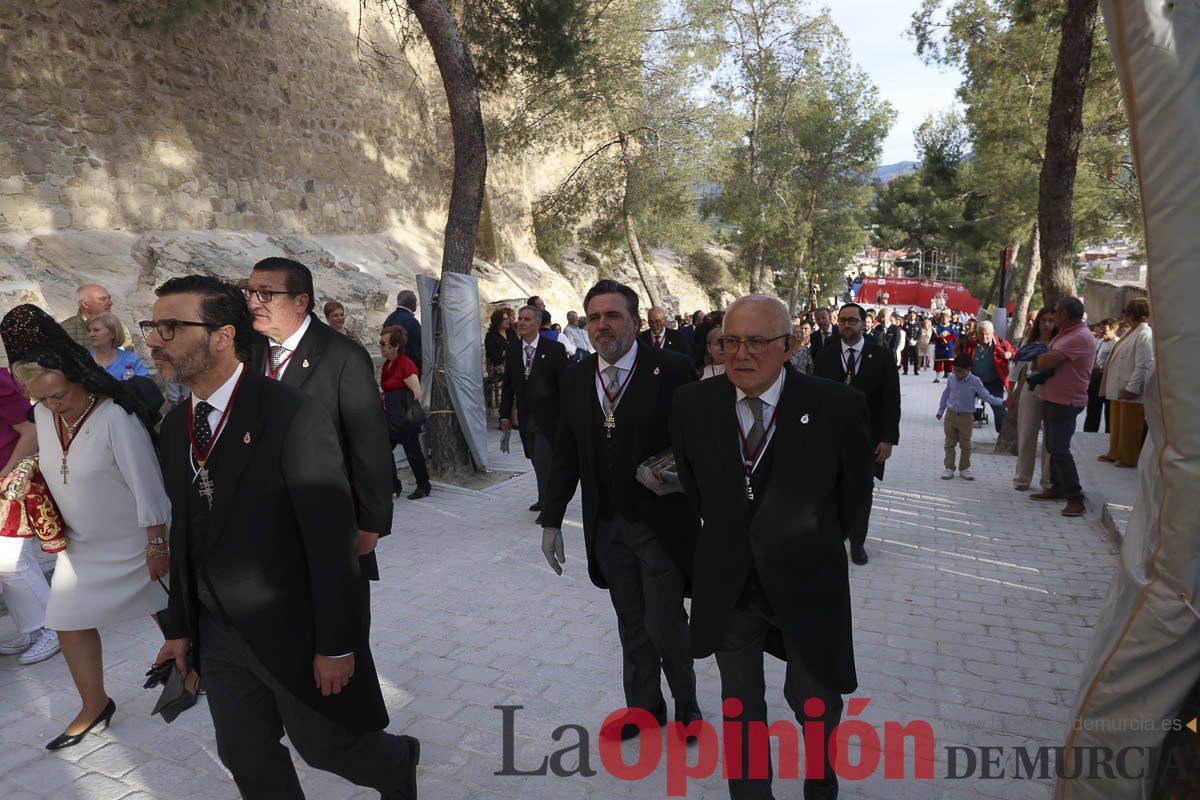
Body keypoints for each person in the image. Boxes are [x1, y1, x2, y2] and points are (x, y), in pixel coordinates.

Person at [147, 276, 419, 799]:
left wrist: (337, 645)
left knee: (323, 745)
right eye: (152, 327)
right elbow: (187, 533)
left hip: (292, 625)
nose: (155, 340)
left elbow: (331, 538)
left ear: (223, 336)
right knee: (245, 753)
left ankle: (397, 762)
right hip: (219, 631)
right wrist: (180, 626)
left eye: (170, 327)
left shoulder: (291, 414)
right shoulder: (174, 425)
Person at [671, 294, 872, 800]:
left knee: (815, 701)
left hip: (808, 580)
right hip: (730, 582)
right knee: (740, 703)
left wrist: (806, 540)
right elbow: (697, 491)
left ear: (789, 346)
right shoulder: (692, 404)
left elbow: (853, 502)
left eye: (756, 342)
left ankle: (821, 783)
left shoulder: (837, 406)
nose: (740, 353)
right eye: (729, 341)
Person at [539, 279, 702, 741]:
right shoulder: (575, 376)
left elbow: (696, 445)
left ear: (635, 322)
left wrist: (671, 472)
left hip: (659, 526)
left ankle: (687, 706)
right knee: (631, 622)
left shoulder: (670, 369)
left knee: (666, 623)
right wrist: (552, 521)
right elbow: (566, 453)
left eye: (612, 316)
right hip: (608, 528)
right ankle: (645, 709)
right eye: (594, 317)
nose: (602, 325)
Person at [1, 304, 169, 749]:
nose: (54, 405)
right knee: (68, 620)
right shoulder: (42, 415)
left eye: (60, 394)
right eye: (43, 398)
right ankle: (94, 704)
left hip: (134, 541)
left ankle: (194, 674)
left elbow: (147, 483)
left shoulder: (116, 414)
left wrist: (156, 544)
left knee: (169, 614)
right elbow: (59, 462)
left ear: (76, 375)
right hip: (81, 545)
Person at [244, 258, 394, 589]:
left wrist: (371, 524)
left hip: (324, 521)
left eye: (266, 293)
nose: (253, 302)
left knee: (330, 628)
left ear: (301, 301)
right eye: (251, 292)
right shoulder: (247, 350)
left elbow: (369, 446)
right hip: (259, 523)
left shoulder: (343, 358)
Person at [813, 303, 901, 566]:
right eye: (842, 320)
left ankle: (858, 542)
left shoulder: (881, 356)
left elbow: (891, 401)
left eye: (852, 320)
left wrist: (888, 439)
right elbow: (817, 398)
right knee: (831, 489)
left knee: (863, 491)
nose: (846, 325)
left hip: (868, 439)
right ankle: (835, 534)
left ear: (865, 324)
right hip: (832, 438)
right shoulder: (826, 356)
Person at [0, 364, 58, 666]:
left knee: (11, 561)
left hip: (10, 480)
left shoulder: (0, 382)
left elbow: (31, 432)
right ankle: (31, 629)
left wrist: (8, 472)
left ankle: (54, 628)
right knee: (7, 563)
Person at [499, 306, 567, 521]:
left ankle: (549, 507)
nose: (521, 322)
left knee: (544, 459)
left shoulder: (554, 349)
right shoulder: (512, 349)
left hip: (549, 417)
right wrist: (504, 416)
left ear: (537, 323)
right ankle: (543, 497)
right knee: (535, 459)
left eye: (527, 319)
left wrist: (567, 417)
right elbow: (508, 386)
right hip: (525, 418)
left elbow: (565, 386)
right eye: (519, 318)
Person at [1030, 296, 1093, 517]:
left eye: (1056, 312)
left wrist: (1037, 358)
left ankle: (1075, 498)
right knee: (1052, 444)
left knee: (1059, 448)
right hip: (1054, 399)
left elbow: (1043, 362)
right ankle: (1057, 488)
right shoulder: (1067, 334)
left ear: (1064, 315)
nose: (1054, 316)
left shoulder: (1079, 337)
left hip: (1066, 401)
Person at [1099, 298, 1153, 468]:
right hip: (1119, 385)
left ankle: (1128, 456)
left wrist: (1133, 388)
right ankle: (1115, 451)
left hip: (1129, 388)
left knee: (1130, 424)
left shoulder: (1144, 334)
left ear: (1130, 315)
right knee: (1117, 423)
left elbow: (1143, 364)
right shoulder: (1132, 331)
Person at [380, 325, 432, 499]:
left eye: (384, 344)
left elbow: (416, 391)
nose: (381, 347)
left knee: (413, 452)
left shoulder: (405, 364)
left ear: (395, 347)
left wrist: (402, 404)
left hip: (404, 417)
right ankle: (394, 484)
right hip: (391, 417)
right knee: (383, 450)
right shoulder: (388, 365)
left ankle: (424, 485)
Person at [937, 354, 1007, 480]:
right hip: (951, 414)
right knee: (949, 443)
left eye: (959, 371)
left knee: (965, 444)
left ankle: (964, 468)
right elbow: (946, 394)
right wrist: (941, 411)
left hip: (966, 417)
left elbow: (986, 396)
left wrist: (1002, 402)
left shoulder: (975, 381)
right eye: (954, 369)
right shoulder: (952, 378)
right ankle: (949, 467)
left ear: (969, 369)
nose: (956, 373)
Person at [1008, 307, 1056, 492]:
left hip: (1053, 390)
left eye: (1051, 321)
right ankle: (1022, 478)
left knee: (1050, 438)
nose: (1046, 324)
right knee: (1027, 434)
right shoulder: (1029, 341)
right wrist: (1010, 394)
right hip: (1030, 389)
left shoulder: (1059, 342)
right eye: (1043, 320)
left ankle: (1048, 481)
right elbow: (1016, 369)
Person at [963, 321, 1015, 434]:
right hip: (975, 381)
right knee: (964, 404)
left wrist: (1009, 354)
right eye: (981, 334)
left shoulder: (1000, 343)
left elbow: (1014, 352)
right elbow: (964, 358)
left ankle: (1002, 434)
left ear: (992, 333)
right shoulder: (971, 344)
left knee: (999, 408)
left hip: (994, 381)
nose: (984, 337)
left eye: (987, 334)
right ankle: (961, 432)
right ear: (977, 334)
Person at [60, 283, 131, 350]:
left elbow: (129, 353)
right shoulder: (65, 330)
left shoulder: (118, 325)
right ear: (85, 304)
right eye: (102, 299)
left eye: (109, 298)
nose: (110, 303)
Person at [87, 312, 149, 381]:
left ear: (113, 334)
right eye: (89, 331)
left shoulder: (132, 360)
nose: (91, 334)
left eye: (96, 330)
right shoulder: (84, 360)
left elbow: (144, 388)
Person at [1085, 318, 1120, 433]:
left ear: (1113, 330)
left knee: (1109, 413)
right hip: (1096, 381)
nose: (1102, 332)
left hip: (1109, 381)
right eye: (1101, 329)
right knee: (1093, 411)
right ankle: (1089, 434)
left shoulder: (1117, 344)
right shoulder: (1099, 342)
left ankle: (1109, 436)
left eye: (1105, 330)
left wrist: (1099, 367)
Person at [383, 289, 422, 371]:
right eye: (416, 302)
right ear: (411, 303)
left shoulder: (389, 318)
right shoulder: (412, 322)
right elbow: (418, 349)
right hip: (407, 368)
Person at [484, 307, 514, 409]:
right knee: (501, 398)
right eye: (505, 319)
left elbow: (516, 347)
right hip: (499, 371)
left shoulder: (511, 332)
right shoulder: (491, 336)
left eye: (508, 318)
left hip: (512, 367)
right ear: (498, 321)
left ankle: (513, 418)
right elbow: (491, 354)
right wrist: (505, 352)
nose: (508, 321)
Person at [931, 310, 958, 382]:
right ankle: (937, 377)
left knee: (948, 363)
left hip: (949, 347)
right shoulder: (936, 327)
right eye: (943, 317)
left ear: (949, 318)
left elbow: (954, 335)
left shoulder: (952, 327)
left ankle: (949, 377)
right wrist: (940, 339)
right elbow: (934, 336)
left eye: (946, 317)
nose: (944, 319)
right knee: (938, 363)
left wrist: (946, 339)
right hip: (939, 347)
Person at [902, 310, 922, 375]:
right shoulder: (906, 324)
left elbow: (919, 333)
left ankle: (916, 370)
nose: (912, 317)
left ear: (915, 316)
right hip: (907, 343)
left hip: (915, 343)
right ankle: (905, 370)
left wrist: (916, 340)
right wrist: (908, 340)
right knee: (906, 357)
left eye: (913, 315)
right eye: (910, 315)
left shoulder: (918, 324)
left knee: (916, 357)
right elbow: (904, 332)